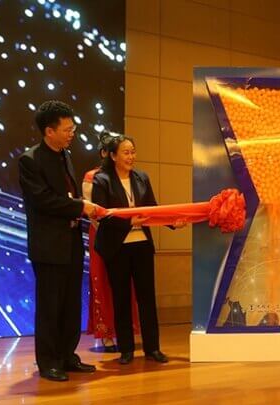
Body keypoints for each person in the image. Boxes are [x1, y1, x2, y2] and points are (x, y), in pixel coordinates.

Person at [18, 100, 101, 381]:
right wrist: (80, 207)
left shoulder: (65, 155)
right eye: (67, 129)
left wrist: (81, 207)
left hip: (71, 243)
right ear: (49, 131)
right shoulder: (30, 160)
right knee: (50, 306)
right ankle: (49, 361)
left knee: (70, 304)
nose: (72, 134)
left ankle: (67, 356)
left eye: (72, 129)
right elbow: (43, 200)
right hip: (48, 246)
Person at [92, 133, 182, 364]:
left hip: (142, 245)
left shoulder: (142, 177)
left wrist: (173, 222)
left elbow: (153, 209)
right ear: (113, 156)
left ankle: (153, 348)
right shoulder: (102, 180)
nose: (131, 156)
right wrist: (129, 222)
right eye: (126, 152)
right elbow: (101, 215)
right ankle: (126, 350)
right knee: (121, 298)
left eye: (133, 152)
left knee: (147, 298)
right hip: (117, 247)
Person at [82, 133, 140, 352]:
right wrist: (114, 230)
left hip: (126, 233)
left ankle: (126, 332)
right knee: (103, 281)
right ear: (106, 154)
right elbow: (93, 213)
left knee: (126, 284)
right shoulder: (93, 177)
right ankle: (106, 334)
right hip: (104, 235)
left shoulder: (129, 176)